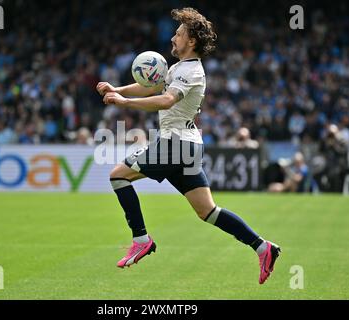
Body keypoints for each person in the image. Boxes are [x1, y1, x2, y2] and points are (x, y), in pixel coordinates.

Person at [96, 8, 280, 284]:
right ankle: (263, 247)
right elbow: (151, 89)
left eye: (179, 34)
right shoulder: (178, 68)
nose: (173, 38)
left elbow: (166, 100)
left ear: (191, 41)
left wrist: (124, 103)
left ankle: (141, 239)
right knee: (208, 211)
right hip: (188, 146)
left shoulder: (191, 70)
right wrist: (118, 89)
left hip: (175, 144)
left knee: (118, 175)